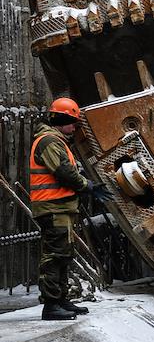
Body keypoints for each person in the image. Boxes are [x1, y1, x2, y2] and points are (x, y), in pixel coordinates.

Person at [29, 97, 111, 321]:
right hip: (53, 208)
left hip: (60, 207)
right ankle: (51, 305)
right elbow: (64, 172)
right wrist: (88, 186)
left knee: (64, 255)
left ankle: (61, 300)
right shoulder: (48, 141)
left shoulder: (56, 140)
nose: (74, 127)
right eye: (72, 122)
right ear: (62, 119)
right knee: (55, 256)